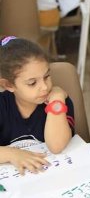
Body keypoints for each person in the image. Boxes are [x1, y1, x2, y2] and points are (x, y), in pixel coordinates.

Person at [0, 36, 75, 174]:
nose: (44, 87)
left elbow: (56, 146)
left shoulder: (59, 103)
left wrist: (57, 99)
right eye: (32, 83)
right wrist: (12, 154)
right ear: (8, 85)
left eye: (46, 77)